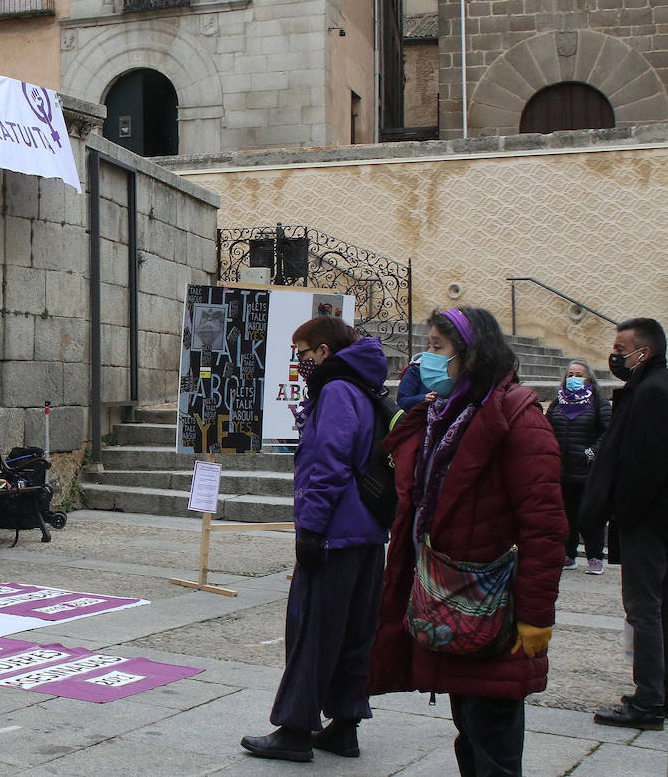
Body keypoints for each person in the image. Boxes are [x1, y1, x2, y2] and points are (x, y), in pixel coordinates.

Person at [369, 307, 565, 776]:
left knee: (493, 738)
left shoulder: (518, 418)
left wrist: (536, 616)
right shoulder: (439, 415)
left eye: (437, 347)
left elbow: (546, 526)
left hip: (492, 606)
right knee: (470, 734)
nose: (426, 358)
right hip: (446, 600)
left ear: (469, 353)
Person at [241, 318, 389, 762]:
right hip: (366, 529)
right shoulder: (363, 386)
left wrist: (312, 529)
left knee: (313, 629)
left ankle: (295, 728)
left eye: (302, 353)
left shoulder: (337, 390)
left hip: (337, 531)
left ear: (324, 352)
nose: (300, 362)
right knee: (353, 631)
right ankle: (344, 725)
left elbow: (328, 463)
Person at [588, 317, 668, 731]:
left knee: (643, 608)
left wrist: (624, 513)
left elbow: (643, 466)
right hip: (653, 517)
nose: (615, 354)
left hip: (648, 520)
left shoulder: (652, 392)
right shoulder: (652, 386)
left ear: (645, 352)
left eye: (622, 347)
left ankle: (650, 700)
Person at [545, 359, 612, 575]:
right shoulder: (558, 402)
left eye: (579, 374)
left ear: (589, 378)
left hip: (587, 471)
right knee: (566, 515)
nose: (574, 378)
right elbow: (546, 427)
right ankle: (569, 554)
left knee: (590, 514)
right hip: (562, 471)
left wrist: (592, 452)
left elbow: (609, 431)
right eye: (570, 374)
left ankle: (594, 556)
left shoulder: (597, 402)